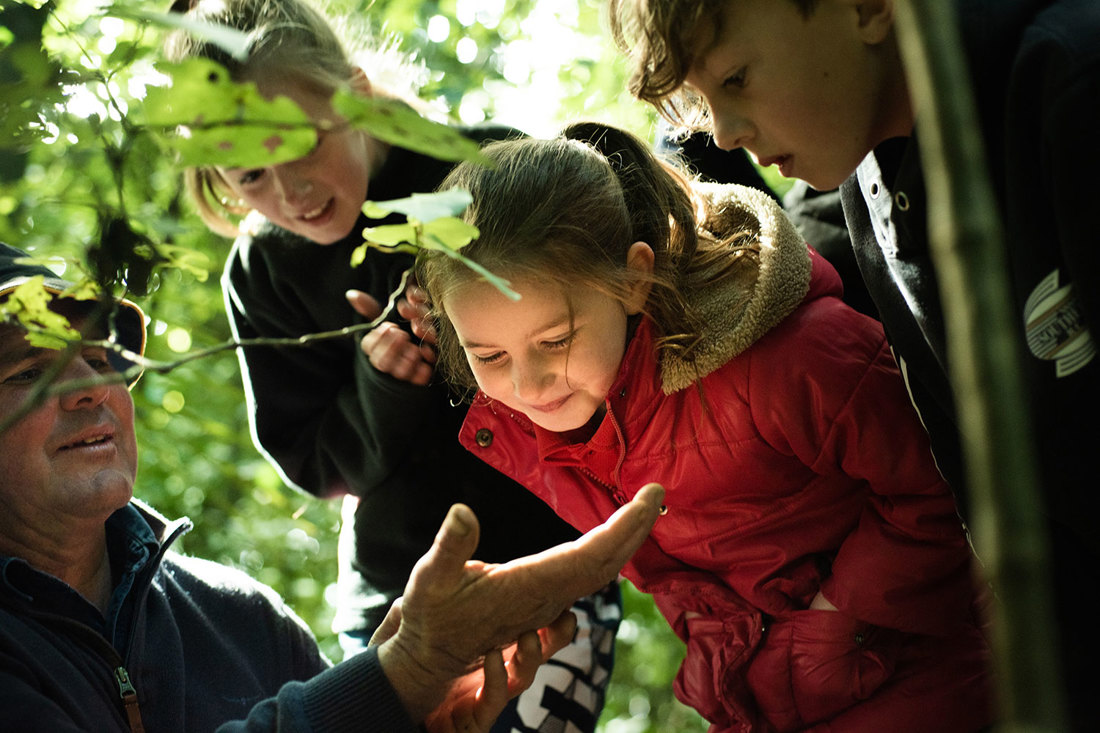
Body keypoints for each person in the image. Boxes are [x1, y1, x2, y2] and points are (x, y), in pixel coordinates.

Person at [606, 0, 1099, 727]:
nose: (725, 133)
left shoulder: (1071, 87)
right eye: (704, 106)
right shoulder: (868, 196)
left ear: (867, 8)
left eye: (736, 78)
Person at [414, 122, 994, 733]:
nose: (527, 387)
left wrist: (832, 623)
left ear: (633, 280)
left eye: (555, 340)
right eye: (490, 357)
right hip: (767, 698)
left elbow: (951, 483)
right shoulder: (556, 431)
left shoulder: (788, 360)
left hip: (927, 672)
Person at [162, 1, 622, 730]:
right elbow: (315, 464)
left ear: (354, 91)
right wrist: (385, 383)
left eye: (303, 143)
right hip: (392, 592)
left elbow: (603, 364)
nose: (290, 193)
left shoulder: (489, 175)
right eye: (250, 175)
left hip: (549, 565)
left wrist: (477, 342)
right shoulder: (264, 271)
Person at [0, 241, 665, 732]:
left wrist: (413, 722)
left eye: (97, 358)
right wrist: (394, 677)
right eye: (31, 372)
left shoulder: (241, 619)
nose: (90, 388)